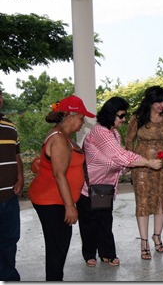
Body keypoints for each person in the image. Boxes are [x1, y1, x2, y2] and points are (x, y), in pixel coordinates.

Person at [78, 97, 163, 266]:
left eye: (125, 115)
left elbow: (115, 160)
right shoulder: (100, 132)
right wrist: (147, 162)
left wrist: (125, 167)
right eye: (121, 115)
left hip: (104, 187)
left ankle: (107, 254)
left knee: (104, 221)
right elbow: (120, 156)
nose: (124, 119)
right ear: (111, 115)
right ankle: (89, 254)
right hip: (89, 187)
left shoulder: (113, 133)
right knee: (89, 223)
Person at [28, 95, 95, 281]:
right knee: (57, 246)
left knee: (58, 244)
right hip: (51, 201)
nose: (83, 122)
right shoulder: (59, 139)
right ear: (70, 116)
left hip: (55, 199)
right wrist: (70, 206)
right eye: (81, 118)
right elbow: (59, 174)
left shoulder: (63, 135)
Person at [125, 86, 163, 255]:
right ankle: (144, 242)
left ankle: (157, 236)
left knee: (161, 200)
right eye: (158, 101)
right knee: (143, 202)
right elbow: (129, 140)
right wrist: (130, 161)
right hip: (142, 166)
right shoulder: (137, 118)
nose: (162, 105)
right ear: (150, 101)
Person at [0, 90, 24, 281]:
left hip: (10, 196)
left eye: (0, 95)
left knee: (10, 240)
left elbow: (16, 156)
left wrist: (20, 177)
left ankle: (7, 277)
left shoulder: (10, 127)